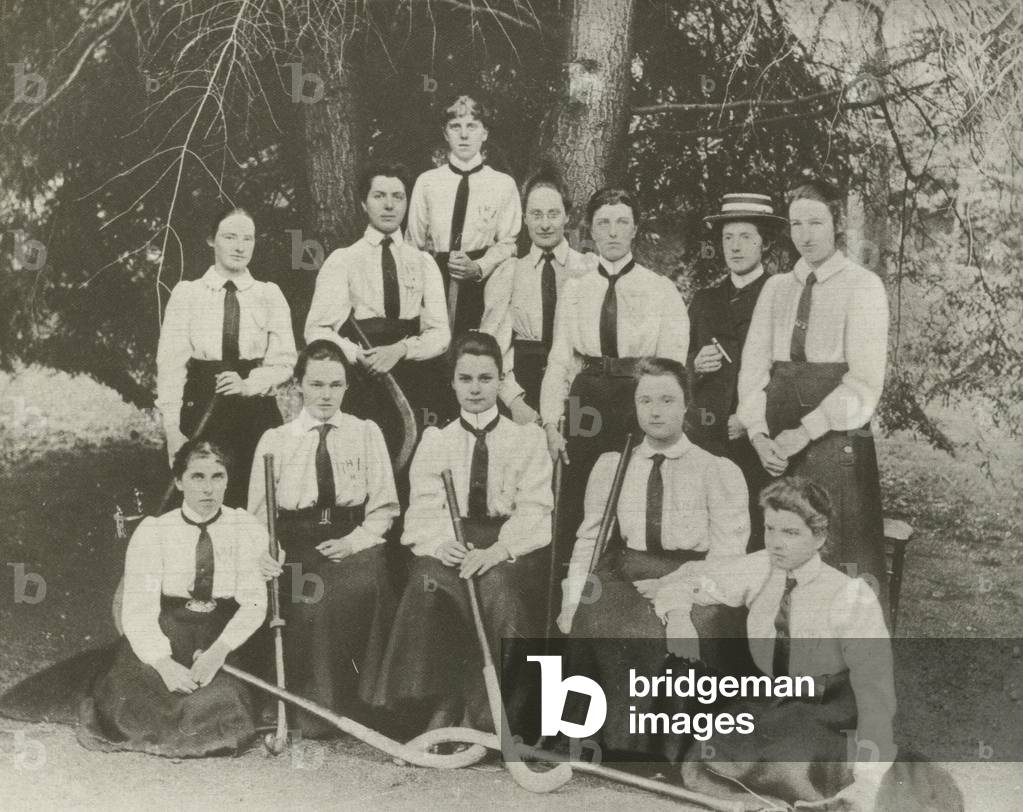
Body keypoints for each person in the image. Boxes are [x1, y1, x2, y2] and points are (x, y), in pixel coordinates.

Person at [654, 477, 896, 808]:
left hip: (831, 709)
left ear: (820, 537)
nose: (776, 543)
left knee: (792, 755)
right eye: (770, 529)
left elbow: (875, 692)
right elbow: (690, 583)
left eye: (791, 533)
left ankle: (816, 798)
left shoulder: (851, 596)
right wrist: (679, 617)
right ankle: (762, 800)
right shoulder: (760, 568)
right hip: (776, 703)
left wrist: (869, 780)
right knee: (709, 750)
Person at [556, 357, 750, 762]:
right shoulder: (613, 465)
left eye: (667, 400)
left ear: (686, 406)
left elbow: (729, 556)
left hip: (694, 578)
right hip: (628, 572)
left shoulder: (716, 470)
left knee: (685, 630)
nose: (656, 410)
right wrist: (572, 596)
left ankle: (662, 750)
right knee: (593, 612)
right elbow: (590, 540)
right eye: (646, 401)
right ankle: (597, 742)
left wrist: (678, 593)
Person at [372, 332, 553, 737]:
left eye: (486, 378)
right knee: (427, 582)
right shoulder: (437, 441)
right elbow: (422, 508)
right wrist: (441, 543)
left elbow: (536, 509)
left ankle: (500, 716)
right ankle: (436, 704)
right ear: (452, 382)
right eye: (466, 378)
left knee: (499, 590)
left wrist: (500, 550)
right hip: (452, 541)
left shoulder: (526, 440)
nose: (475, 388)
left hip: (510, 546)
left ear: (500, 380)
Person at [737, 178, 889, 605]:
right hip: (775, 440)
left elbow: (863, 382)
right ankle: (766, 660)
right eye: (797, 224)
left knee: (834, 550)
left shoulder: (863, 287)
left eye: (816, 222)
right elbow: (752, 369)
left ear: (836, 225)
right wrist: (758, 434)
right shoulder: (776, 288)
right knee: (773, 548)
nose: (805, 234)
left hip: (833, 438)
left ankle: (836, 667)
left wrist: (805, 432)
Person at [540, 188, 689, 607]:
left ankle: (620, 608)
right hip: (585, 400)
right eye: (603, 222)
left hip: (636, 400)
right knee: (576, 504)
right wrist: (551, 423)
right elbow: (559, 362)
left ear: (636, 229)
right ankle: (567, 611)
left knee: (628, 499)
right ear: (590, 229)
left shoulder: (660, 290)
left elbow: (672, 367)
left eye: (622, 221)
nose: (612, 231)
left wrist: (657, 415)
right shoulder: (576, 290)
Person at [79, 440, 267, 757]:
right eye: (197, 477)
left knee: (223, 702)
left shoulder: (243, 527)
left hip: (220, 634)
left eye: (217, 476)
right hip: (168, 630)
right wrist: (163, 663)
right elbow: (138, 610)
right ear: (179, 481)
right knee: (136, 696)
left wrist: (218, 652)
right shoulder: (156, 532)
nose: (208, 489)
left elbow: (254, 602)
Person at [250, 339, 399, 737]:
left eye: (335, 385)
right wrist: (271, 552)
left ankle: (369, 707)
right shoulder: (276, 441)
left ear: (347, 387)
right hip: (295, 545)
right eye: (316, 384)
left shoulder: (366, 433)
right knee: (313, 595)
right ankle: (316, 711)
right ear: (298, 385)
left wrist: (354, 542)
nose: (326, 395)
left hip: (353, 539)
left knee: (365, 583)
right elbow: (259, 515)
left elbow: (384, 506)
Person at [305, 162, 452, 470]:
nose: (389, 204)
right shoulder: (343, 260)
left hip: (417, 375)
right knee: (367, 463)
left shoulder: (423, 262)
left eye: (398, 196)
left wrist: (401, 350)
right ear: (363, 202)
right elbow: (316, 330)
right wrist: (359, 355)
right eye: (379, 195)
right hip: (365, 378)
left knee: (420, 462)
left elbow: (441, 334)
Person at [156, 206, 297, 506]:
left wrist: (250, 384)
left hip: (254, 411)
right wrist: (172, 429)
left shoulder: (269, 295)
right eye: (230, 236)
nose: (239, 246)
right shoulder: (188, 294)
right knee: (202, 497)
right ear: (211, 240)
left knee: (256, 497)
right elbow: (170, 365)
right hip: (203, 408)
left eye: (248, 238)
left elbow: (284, 361)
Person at [687, 192, 786, 551]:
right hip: (706, 439)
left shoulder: (780, 297)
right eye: (728, 238)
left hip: (755, 442)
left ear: (764, 243)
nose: (735, 247)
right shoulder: (704, 300)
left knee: (753, 535)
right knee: (705, 533)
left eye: (746, 237)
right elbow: (675, 366)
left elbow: (787, 373)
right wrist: (694, 366)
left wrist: (747, 420)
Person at [481, 167, 593, 424]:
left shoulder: (588, 269)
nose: (544, 224)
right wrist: (514, 402)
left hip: (577, 392)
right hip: (523, 392)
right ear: (525, 219)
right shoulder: (509, 272)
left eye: (553, 214)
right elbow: (492, 349)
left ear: (567, 216)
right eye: (536, 214)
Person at [406, 94, 521, 337]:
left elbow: (509, 244)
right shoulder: (427, 182)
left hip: (481, 282)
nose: (464, 135)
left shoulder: (502, 184)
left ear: (485, 133)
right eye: (455, 126)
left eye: (472, 126)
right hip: (435, 279)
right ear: (446, 133)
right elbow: (412, 244)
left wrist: (478, 267)